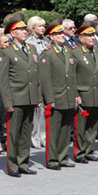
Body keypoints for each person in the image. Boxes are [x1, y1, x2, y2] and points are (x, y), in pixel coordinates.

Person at [0, 12, 42, 177]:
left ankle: (23, 162)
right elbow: (3, 79)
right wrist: (7, 101)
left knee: (25, 133)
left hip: (30, 97)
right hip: (16, 98)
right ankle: (12, 165)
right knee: (13, 133)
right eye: (21, 29)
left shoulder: (32, 48)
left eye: (25, 29)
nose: (25, 32)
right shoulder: (7, 51)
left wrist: (37, 96)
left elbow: (36, 74)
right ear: (12, 33)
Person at [39, 18, 79, 170]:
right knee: (54, 130)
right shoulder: (47, 53)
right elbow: (45, 78)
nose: (62, 35)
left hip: (68, 96)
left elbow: (73, 75)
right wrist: (49, 98)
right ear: (51, 36)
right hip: (56, 96)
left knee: (65, 129)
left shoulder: (68, 51)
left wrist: (75, 94)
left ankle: (63, 156)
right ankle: (53, 159)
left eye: (62, 32)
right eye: (58, 33)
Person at [71, 22, 98, 163]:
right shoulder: (75, 52)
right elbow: (71, 75)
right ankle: (79, 153)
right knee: (81, 126)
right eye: (88, 35)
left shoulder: (97, 51)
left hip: (96, 93)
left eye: (93, 35)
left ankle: (89, 151)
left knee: (92, 126)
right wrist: (75, 94)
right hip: (83, 93)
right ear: (80, 37)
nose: (92, 38)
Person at [26, 16, 51, 149]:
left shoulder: (47, 40)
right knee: (37, 109)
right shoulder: (29, 41)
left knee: (45, 108)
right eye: (40, 26)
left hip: (47, 76)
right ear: (33, 27)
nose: (43, 28)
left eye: (43, 26)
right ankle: (35, 136)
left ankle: (44, 135)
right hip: (36, 76)